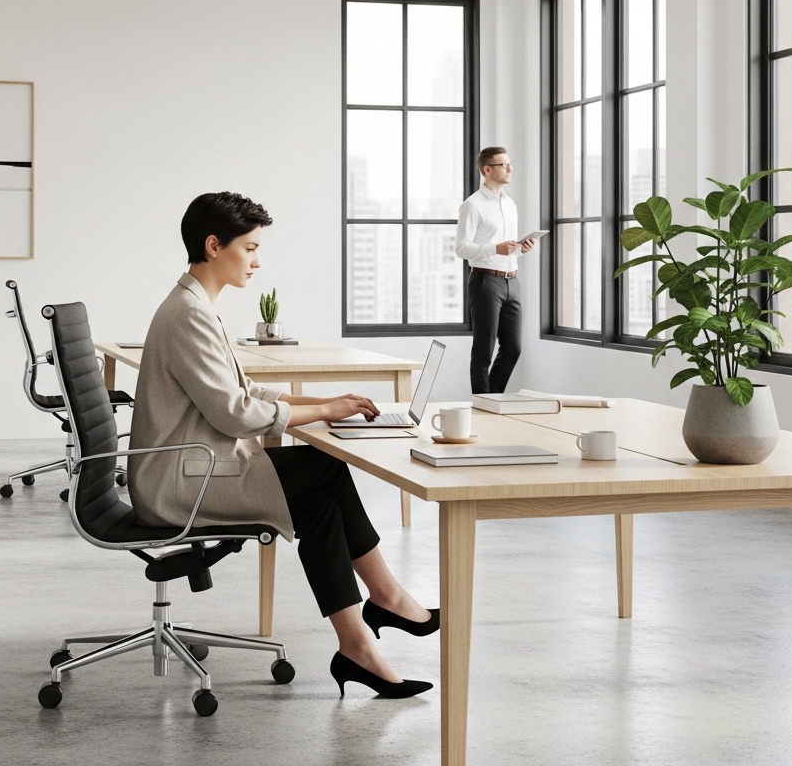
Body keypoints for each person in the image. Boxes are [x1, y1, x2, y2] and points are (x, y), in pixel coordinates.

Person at [128, 191, 436, 699]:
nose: (257, 259)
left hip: (193, 468)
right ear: (213, 246)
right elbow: (236, 414)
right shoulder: (189, 314)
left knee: (318, 502)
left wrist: (329, 400)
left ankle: (357, 644)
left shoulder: (197, 304)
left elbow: (247, 393)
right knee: (327, 470)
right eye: (248, 248)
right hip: (178, 483)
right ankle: (386, 597)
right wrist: (326, 412)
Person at [455, 146, 536, 395]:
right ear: (487, 170)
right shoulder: (472, 205)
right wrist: (495, 249)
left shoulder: (510, 204)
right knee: (484, 349)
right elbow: (461, 248)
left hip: (512, 281)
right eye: (504, 165)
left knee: (513, 348)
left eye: (511, 164)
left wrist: (523, 248)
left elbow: (507, 248)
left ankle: (491, 398)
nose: (510, 168)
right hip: (485, 281)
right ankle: (484, 405)